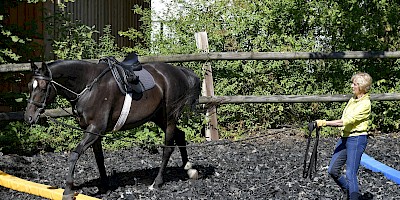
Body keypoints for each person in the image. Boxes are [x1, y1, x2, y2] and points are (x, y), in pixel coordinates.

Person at [311, 72, 373, 200]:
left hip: (356, 139)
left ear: (361, 87)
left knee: (350, 173)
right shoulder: (353, 99)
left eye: (355, 84)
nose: (352, 86)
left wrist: (324, 123)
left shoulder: (365, 104)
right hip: (345, 138)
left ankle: (353, 197)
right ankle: (350, 193)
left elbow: (345, 121)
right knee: (333, 170)